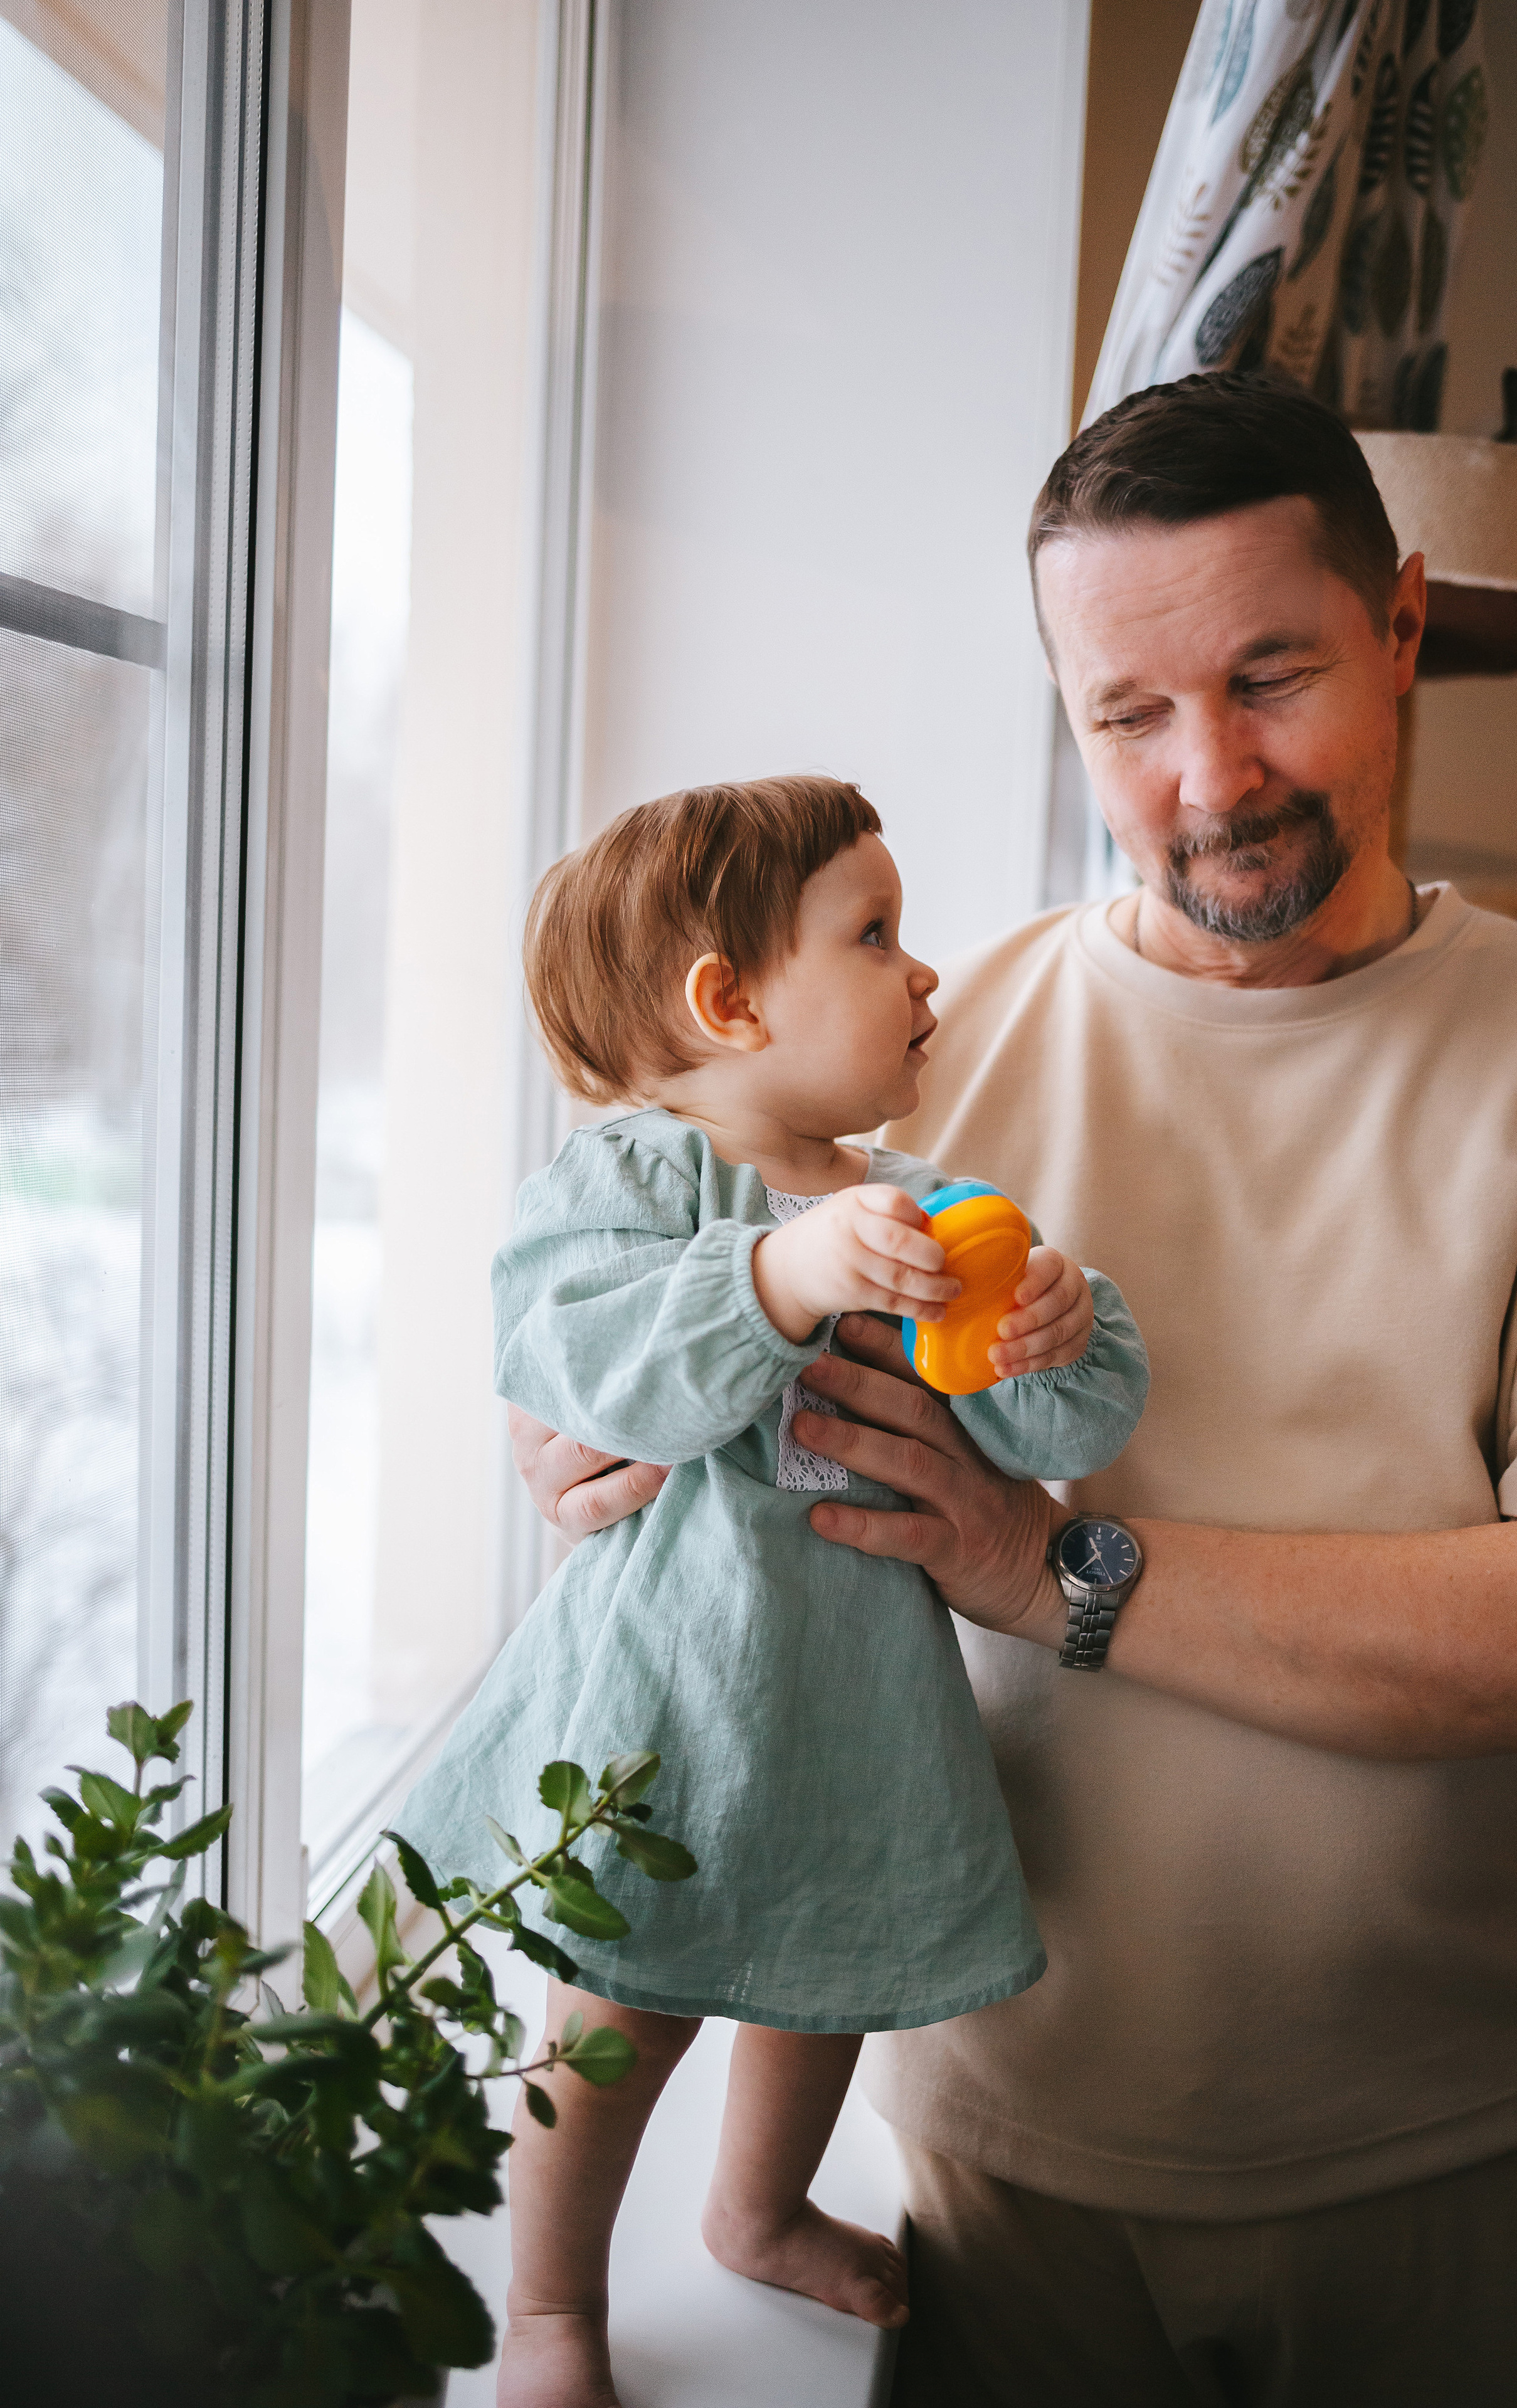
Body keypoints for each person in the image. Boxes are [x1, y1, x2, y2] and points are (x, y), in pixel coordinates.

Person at [516, 374, 1517, 2406]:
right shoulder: (921, 1061)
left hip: (1465, 2156)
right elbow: (631, 1277)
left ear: (1402, 626)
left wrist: (1051, 1573)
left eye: (1270, 676)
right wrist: (575, 1435)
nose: (1210, 777)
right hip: (1001, 2174)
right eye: (1129, 713)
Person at [397, 775, 1150, 2408]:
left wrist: (1058, 1331)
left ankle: (756, 2211)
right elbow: (580, 1359)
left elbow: (1057, 1441)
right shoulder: (637, 1183)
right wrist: (776, 1274)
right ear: (729, 1002)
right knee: (611, 2016)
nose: (923, 970)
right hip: (666, 1708)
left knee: (831, 1984)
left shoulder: (925, 1202)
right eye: (874, 933)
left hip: (860, 1703)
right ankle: (549, 2306)